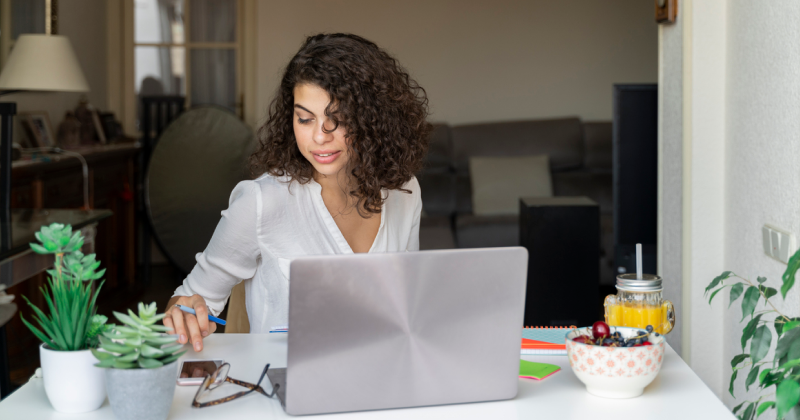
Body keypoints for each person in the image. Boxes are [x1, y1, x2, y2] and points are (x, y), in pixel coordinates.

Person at [163, 33, 431, 352]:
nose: (319, 136)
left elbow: (408, 307)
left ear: (374, 119)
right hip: (283, 385)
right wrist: (184, 311)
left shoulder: (405, 192)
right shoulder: (261, 202)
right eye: (305, 118)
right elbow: (190, 300)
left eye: (338, 119)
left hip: (384, 377)